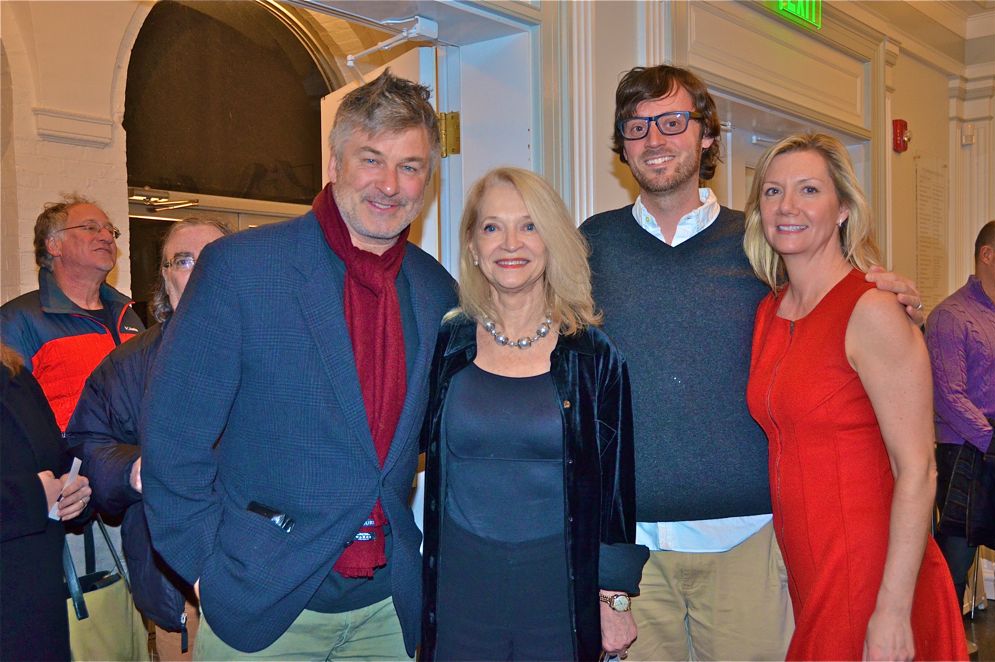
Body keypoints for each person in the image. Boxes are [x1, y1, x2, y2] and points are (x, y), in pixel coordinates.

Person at [579, 65, 926, 661]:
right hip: (630, 561)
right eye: (637, 127)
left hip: (750, 551)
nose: (654, 139)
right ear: (622, 144)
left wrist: (898, 304)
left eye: (672, 121)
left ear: (706, 135)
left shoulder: (760, 243)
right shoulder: (591, 245)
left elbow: (834, 305)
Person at [141, 70, 456, 659]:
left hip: (391, 608)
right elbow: (171, 437)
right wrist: (208, 572)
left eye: (410, 166)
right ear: (334, 163)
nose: (390, 184)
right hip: (265, 609)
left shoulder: (437, 291)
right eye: (371, 159)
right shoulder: (241, 270)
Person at [743, 132, 967, 660]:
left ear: (843, 208)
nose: (788, 206)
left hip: (869, 568)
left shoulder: (873, 310)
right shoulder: (769, 311)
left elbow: (919, 470)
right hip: (807, 566)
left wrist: (892, 607)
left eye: (808, 190)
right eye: (772, 192)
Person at [419, 167, 648, 661]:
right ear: (474, 248)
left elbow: (615, 488)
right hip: (460, 587)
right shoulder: (446, 342)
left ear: (552, 242)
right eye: (491, 227)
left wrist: (613, 596)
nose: (510, 243)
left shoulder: (595, 356)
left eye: (529, 226)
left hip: (559, 591)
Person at [65, 217, 232, 661]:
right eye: (183, 260)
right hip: (180, 591)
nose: (197, 270)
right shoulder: (126, 366)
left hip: (280, 579)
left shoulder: (280, 350)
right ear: (164, 275)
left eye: (212, 258)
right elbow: (87, 444)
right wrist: (134, 470)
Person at [0, 194, 144, 430]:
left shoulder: (128, 317)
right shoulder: (16, 321)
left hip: (132, 460)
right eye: (91, 228)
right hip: (65, 465)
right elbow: (9, 416)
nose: (107, 237)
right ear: (54, 244)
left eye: (111, 230)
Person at [1, 343, 92, 661]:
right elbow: (36, 489)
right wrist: (33, 496)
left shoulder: (16, 377)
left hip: (40, 613)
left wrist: (77, 490)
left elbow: (56, 458)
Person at [928, 219, 995, 610]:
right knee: (954, 565)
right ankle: (944, 648)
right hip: (965, 454)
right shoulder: (951, 316)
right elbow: (949, 398)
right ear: (988, 255)